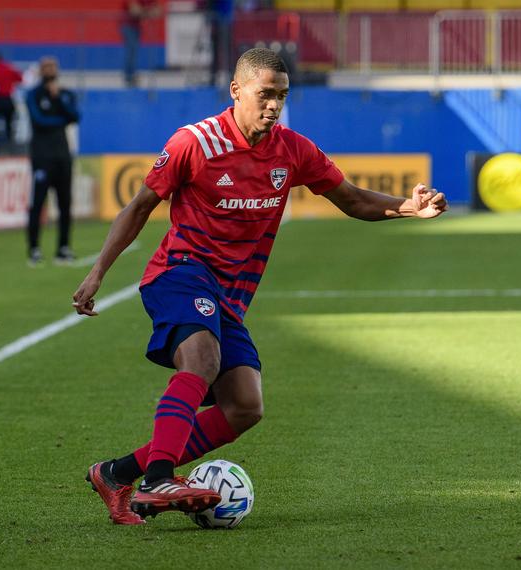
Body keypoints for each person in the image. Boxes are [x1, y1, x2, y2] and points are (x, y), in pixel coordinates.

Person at [73, 48, 448, 525]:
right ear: (236, 91)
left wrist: (410, 207)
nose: (274, 105)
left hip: (229, 295)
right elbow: (141, 206)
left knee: (245, 407)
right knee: (202, 359)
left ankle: (115, 473)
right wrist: (98, 271)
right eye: (265, 94)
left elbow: (352, 199)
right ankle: (158, 478)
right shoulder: (195, 142)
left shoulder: (293, 150)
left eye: (282, 96)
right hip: (180, 272)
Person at [24, 57, 80, 266]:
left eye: (53, 67)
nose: (50, 70)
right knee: (38, 203)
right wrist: (61, 120)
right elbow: (39, 120)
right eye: (46, 67)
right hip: (42, 157)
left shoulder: (65, 94)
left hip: (62, 156)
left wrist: (58, 100)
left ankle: (63, 248)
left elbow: (75, 116)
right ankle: (34, 248)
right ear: (40, 71)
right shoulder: (33, 94)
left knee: (65, 203)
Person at [120, 0, 160, 88]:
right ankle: (129, 76)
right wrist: (148, 12)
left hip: (136, 27)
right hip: (128, 26)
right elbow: (134, 10)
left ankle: (131, 75)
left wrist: (143, 11)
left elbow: (158, 11)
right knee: (131, 51)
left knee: (134, 51)